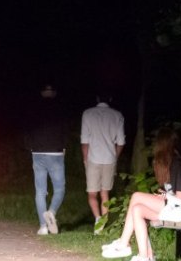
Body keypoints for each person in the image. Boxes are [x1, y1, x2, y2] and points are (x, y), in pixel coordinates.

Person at [100, 126, 181, 261]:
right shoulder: (176, 162)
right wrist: (164, 196)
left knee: (136, 196)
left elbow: (180, 197)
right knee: (137, 209)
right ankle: (144, 257)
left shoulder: (178, 164)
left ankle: (125, 244)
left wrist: (165, 197)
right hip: (177, 208)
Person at [24, 83, 70, 235]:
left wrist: (31, 148)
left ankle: (43, 227)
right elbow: (65, 130)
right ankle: (51, 211)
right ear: (54, 94)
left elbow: (28, 130)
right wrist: (63, 147)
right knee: (60, 189)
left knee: (40, 191)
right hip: (55, 153)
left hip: (37, 153)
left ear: (42, 93)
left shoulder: (32, 109)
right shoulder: (61, 109)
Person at [80, 93, 125, 233]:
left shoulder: (88, 114)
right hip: (109, 159)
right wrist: (115, 156)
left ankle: (98, 219)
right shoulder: (117, 115)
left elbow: (85, 141)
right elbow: (121, 142)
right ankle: (102, 225)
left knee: (92, 193)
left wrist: (85, 159)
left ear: (97, 98)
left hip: (93, 158)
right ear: (110, 99)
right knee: (105, 193)